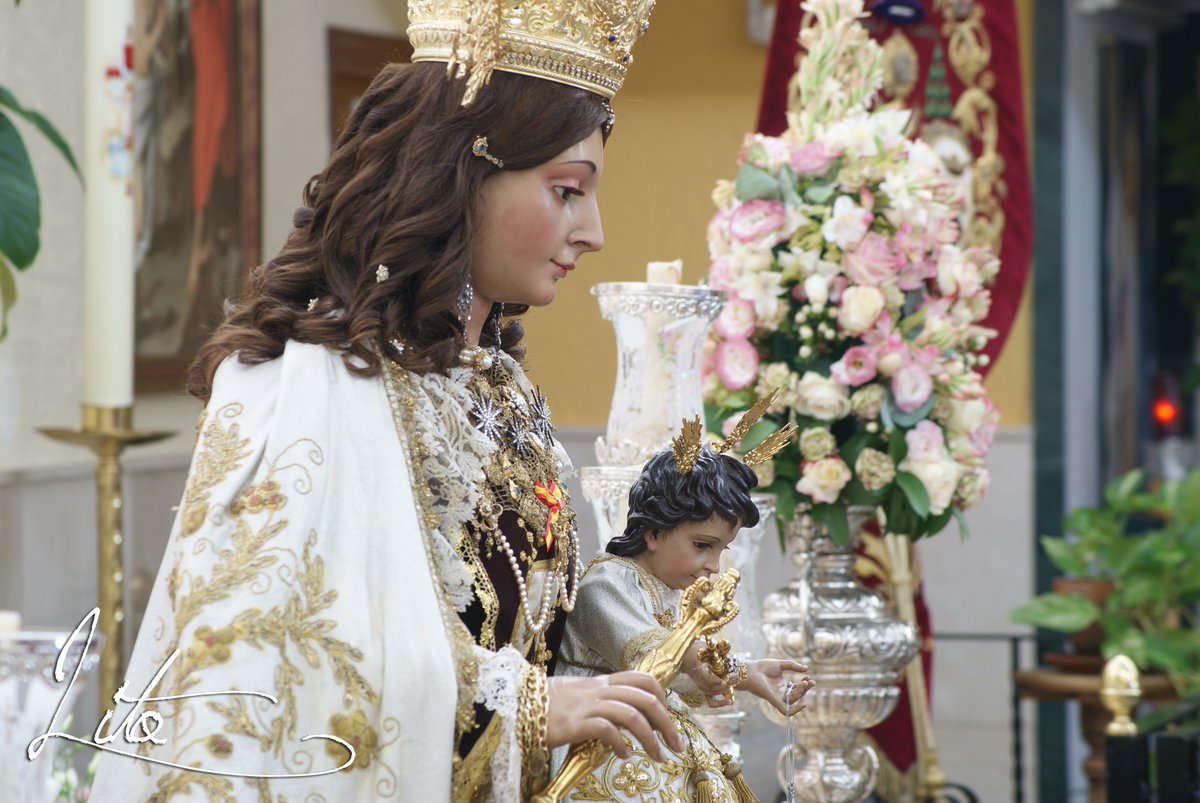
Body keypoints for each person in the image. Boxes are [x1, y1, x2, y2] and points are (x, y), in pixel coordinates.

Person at [90, 1, 679, 801]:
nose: (594, 231)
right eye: (567, 190)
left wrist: (652, 646)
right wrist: (529, 707)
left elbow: (530, 621)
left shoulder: (498, 384)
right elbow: (281, 667)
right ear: (465, 174)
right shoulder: (310, 388)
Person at [553, 426, 815, 802]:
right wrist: (728, 668)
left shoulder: (663, 592)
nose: (713, 566)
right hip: (602, 750)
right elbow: (653, 659)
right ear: (655, 532)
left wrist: (748, 674)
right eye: (702, 546)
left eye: (721, 551)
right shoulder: (607, 583)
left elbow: (682, 675)